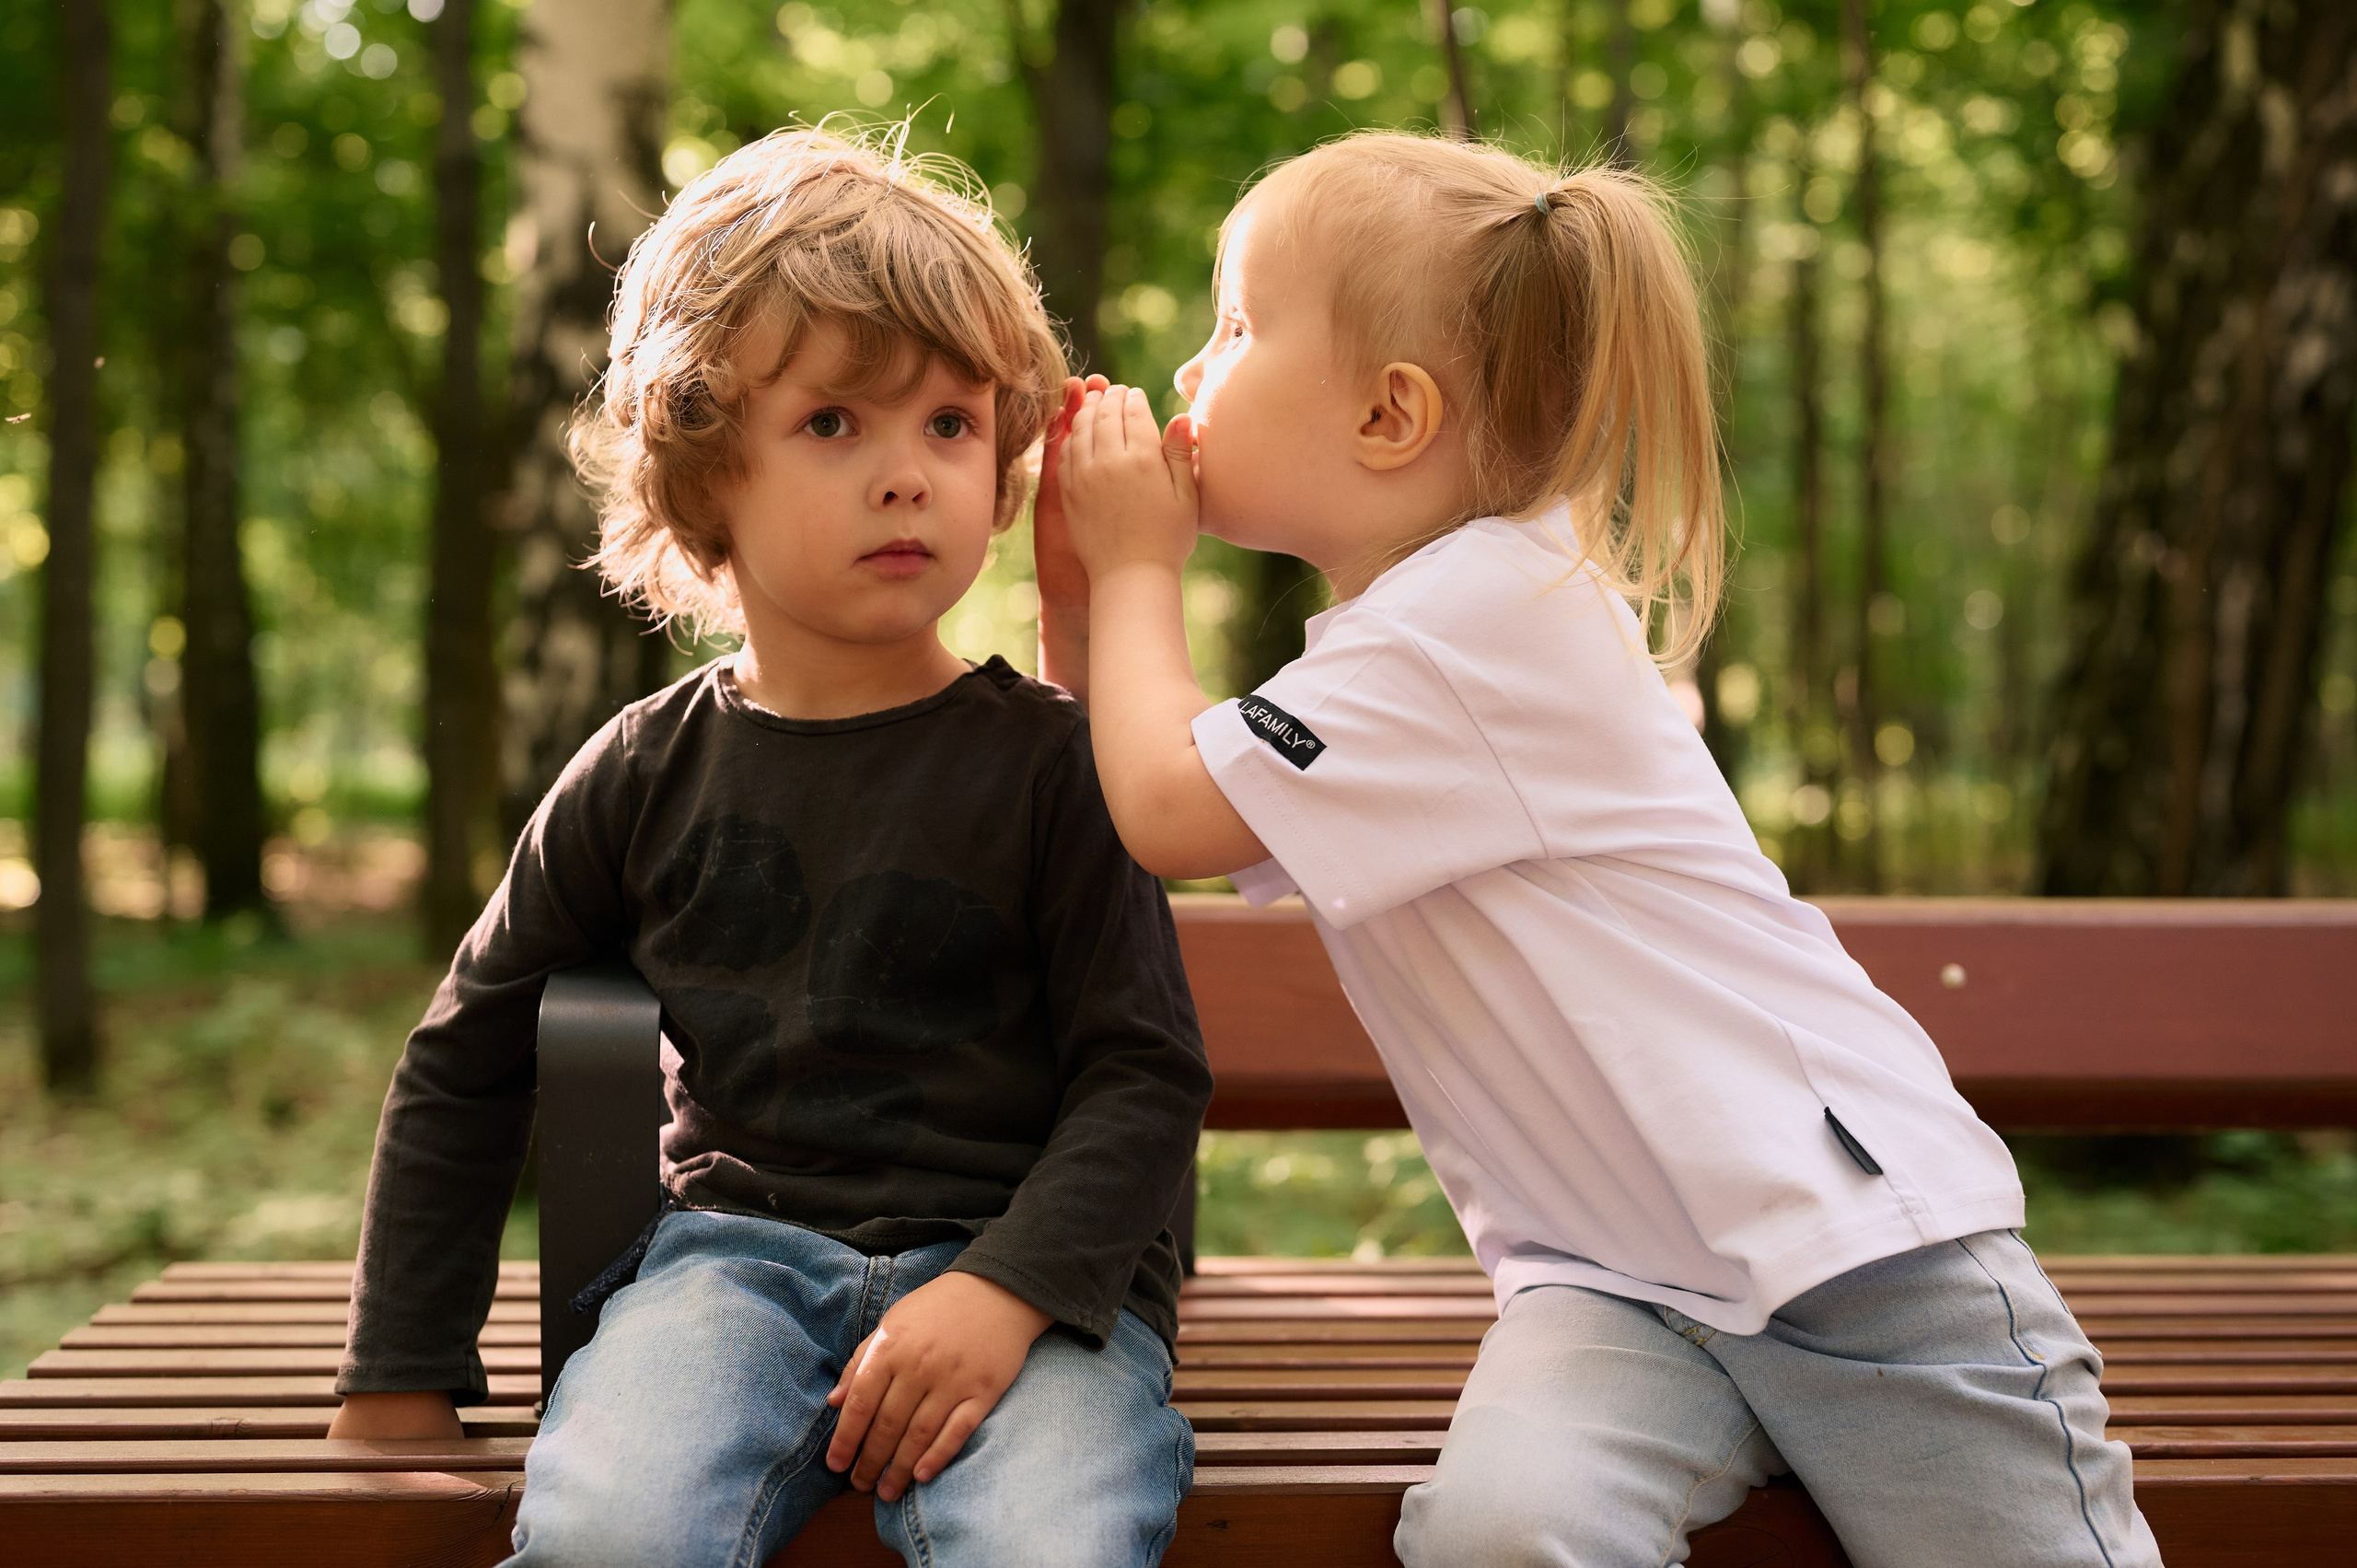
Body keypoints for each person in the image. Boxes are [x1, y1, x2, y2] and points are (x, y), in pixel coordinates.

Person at [1051, 130, 2159, 1568]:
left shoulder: (1475, 627)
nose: (1196, 367)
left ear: (1392, 415)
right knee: (1502, 1539)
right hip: (1611, 1285)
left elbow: (1165, 810)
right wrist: (1083, 604)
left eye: (1240, 325)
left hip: (1858, 1258)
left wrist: (1138, 569)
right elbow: (1143, 797)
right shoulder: (1405, 645)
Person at [328, 128, 1211, 1568]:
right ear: (700, 472)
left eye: (949, 425)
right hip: (731, 1268)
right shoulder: (643, 770)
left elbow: (1145, 1068)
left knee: (1056, 1544)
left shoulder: (1059, 763)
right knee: (611, 1531)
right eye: (834, 425)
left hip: (1034, 1289)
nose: (907, 476)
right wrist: (396, 1375)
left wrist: (1009, 1291)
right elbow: (464, 1055)